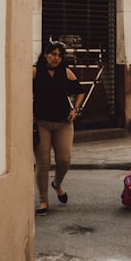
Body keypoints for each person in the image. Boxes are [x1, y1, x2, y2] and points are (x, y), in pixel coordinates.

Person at [32, 40, 85, 217]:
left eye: (59, 55)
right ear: (46, 54)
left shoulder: (65, 72)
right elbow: (22, 92)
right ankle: (43, 200)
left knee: (64, 159)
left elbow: (80, 91)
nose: (56, 58)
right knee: (43, 163)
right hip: (41, 123)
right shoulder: (34, 72)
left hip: (63, 122)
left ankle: (57, 183)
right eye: (53, 54)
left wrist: (75, 109)